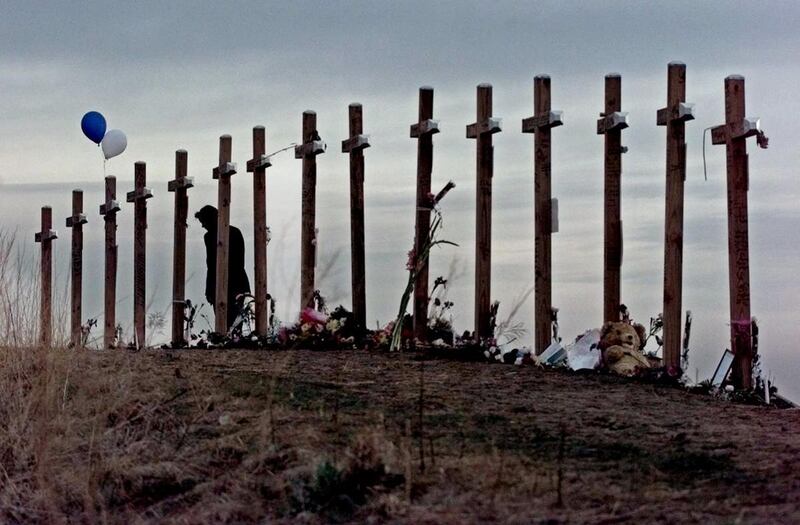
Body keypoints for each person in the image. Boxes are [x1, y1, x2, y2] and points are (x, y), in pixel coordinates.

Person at [195, 205, 251, 331]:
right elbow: (210, 264)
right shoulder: (209, 237)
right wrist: (209, 289)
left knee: (235, 323)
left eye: (203, 222)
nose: (202, 226)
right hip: (220, 284)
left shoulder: (233, 233)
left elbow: (238, 262)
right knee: (224, 325)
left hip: (235, 283)